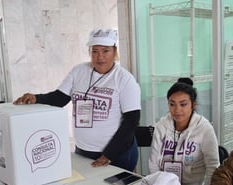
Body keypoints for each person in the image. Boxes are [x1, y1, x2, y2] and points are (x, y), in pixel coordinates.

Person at [14, 29, 141, 171]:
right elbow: (59, 98)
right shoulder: (79, 71)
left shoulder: (124, 79)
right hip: (83, 150)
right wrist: (36, 98)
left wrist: (109, 154)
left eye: (105, 51)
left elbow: (131, 121)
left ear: (114, 52)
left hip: (117, 154)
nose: (100, 57)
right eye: (95, 51)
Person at [148, 77, 219, 185]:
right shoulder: (161, 126)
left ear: (193, 104)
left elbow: (213, 166)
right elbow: (153, 162)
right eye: (172, 104)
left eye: (183, 104)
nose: (177, 110)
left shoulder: (204, 129)